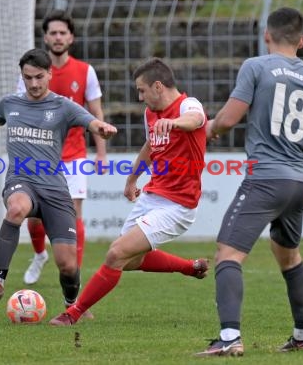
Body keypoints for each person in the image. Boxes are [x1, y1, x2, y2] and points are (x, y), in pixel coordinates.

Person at [195, 7, 303, 357]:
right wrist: (292, 133)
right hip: (300, 182)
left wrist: (209, 129)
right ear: (302, 40)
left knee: (228, 254)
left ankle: (229, 337)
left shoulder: (256, 66)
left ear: (266, 35)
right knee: (288, 257)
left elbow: (228, 119)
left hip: (267, 178)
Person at [0, 48, 117, 310]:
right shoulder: (10, 104)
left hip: (54, 187)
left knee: (67, 264)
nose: (34, 84)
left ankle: (72, 305)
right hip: (21, 179)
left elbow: (90, 121)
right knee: (16, 209)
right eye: (28, 78)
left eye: (39, 77)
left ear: (50, 74)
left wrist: (102, 129)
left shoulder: (63, 105)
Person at [48, 57, 210, 326]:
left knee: (115, 254)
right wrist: (131, 180)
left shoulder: (187, 105)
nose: (140, 97)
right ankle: (190, 267)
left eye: (142, 90)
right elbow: (149, 147)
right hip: (152, 196)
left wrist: (176, 123)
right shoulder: (151, 115)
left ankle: (72, 313)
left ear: (158, 86)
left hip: (178, 206)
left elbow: (196, 119)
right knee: (130, 261)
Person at [16, 10, 108, 286]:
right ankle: (40, 254)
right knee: (34, 220)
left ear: (71, 37)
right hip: (38, 158)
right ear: (45, 37)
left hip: (73, 156)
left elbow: (96, 114)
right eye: (53, 33)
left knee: (74, 216)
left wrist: (101, 152)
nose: (57, 37)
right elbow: (18, 113)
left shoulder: (85, 71)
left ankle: (74, 282)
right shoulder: (31, 73)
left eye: (62, 33)